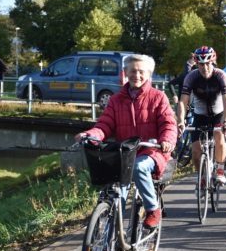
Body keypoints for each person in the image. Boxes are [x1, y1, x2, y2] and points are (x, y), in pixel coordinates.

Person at [75, 54, 177, 229]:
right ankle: (110, 242)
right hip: (125, 153)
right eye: (132, 71)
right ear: (125, 73)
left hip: (151, 151)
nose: (136, 75)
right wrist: (90, 134)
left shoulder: (158, 97)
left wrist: (166, 140)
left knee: (139, 167)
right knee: (116, 193)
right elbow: (104, 125)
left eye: (141, 72)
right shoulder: (116, 100)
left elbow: (168, 124)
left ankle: (153, 209)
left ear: (149, 74)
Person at [177, 46, 226, 184]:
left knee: (219, 137)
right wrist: (181, 121)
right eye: (201, 64)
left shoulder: (220, 75)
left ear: (212, 62)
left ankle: (219, 170)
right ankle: (201, 176)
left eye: (208, 63)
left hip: (218, 114)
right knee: (195, 151)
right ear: (196, 63)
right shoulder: (191, 77)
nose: (204, 67)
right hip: (200, 115)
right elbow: (183, 101)